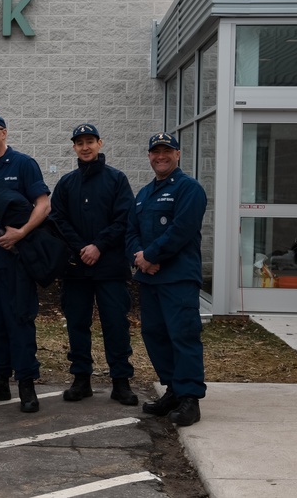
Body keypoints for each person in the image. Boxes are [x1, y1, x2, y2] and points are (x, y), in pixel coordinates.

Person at [49, 123, 138, 406]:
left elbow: (124, 219)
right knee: (77, 323)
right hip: (76, 268)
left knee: (115, 324)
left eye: (90, 141)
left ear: (100, 143)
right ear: (73, 147)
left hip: (110, 267)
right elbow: (58, 220)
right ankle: (81, 379)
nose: (85, 147)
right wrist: (81, 248)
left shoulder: (117, 180)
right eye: (79, 143)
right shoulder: (66, 183)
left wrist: (98, 246)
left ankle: (121, 382)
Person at [0, 111, 50, 413]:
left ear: (4, 132)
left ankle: (26, 384)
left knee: (19, 321)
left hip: (16, 262)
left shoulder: (23, 164)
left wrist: (22, 232)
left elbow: (43, 204)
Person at [126, 132, 208, 427]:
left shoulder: (189, 189)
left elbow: (181, 230)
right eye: (155, 151)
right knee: (156, 336)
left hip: (178, 278)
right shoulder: (145, 193)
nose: (160, 156)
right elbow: (131, 231)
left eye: (166, 151)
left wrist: (151, 256)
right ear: (149, 156)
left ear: (178, 154)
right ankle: (173, 390)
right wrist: (139, 258)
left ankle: (190, 399)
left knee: (183, 336)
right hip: (150, 280)